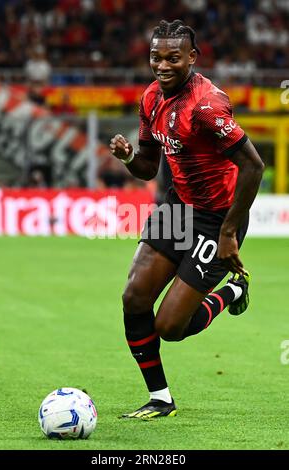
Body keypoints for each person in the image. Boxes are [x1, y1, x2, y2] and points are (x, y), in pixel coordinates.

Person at [110, 19, 264, 419]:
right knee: (133, 297)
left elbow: (253, 167)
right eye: (155, 57)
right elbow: (147, 167)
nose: (162, 65)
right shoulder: (150, 99)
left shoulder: (208, 106)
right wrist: (128, 157)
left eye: (173, 58)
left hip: (217, 218)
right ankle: (161, 399)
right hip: (177, 208)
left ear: (192, 58)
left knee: (172, 327)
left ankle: (232, 290)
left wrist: (229, 231)